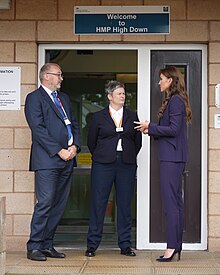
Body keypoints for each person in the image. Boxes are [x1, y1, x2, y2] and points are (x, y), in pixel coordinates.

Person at [134, 66, 192, 262]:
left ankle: (172, 247)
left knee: (171, 204)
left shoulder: (175, 101)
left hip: (172, 158)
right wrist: (153, 128)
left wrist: (150, 127)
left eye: (161, 79)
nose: (159, 82)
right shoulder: (175, 100)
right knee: (175, 203)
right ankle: (175, 246)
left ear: (170, 80)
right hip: (173, 157)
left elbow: (173, 130)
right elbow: (171, 129)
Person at [25, 63, 81, 261]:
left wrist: (75, 147)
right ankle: (34, 246)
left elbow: (74, 124)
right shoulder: (34, 98)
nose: (61, 78)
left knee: (59, 204)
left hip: (67, 159)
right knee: (46, 202)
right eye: (58, 75)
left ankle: (47, 244)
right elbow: (38, 128)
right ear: (46, 76)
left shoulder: (64, 98)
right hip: (48, 160)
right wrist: (59, 151)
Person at [85, 80, 142, 257]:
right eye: (119, 93)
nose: (123, 96)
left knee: (124, 205)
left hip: (126, 164)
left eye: (124, 93)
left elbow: (137, 143)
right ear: (110, 97)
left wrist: (127, 155)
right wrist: (103, 155)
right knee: (98, 203)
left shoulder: (133, 116)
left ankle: (125, 245)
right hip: (103, 164)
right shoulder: (98, 117)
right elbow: (91, 142)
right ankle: (92, 245)